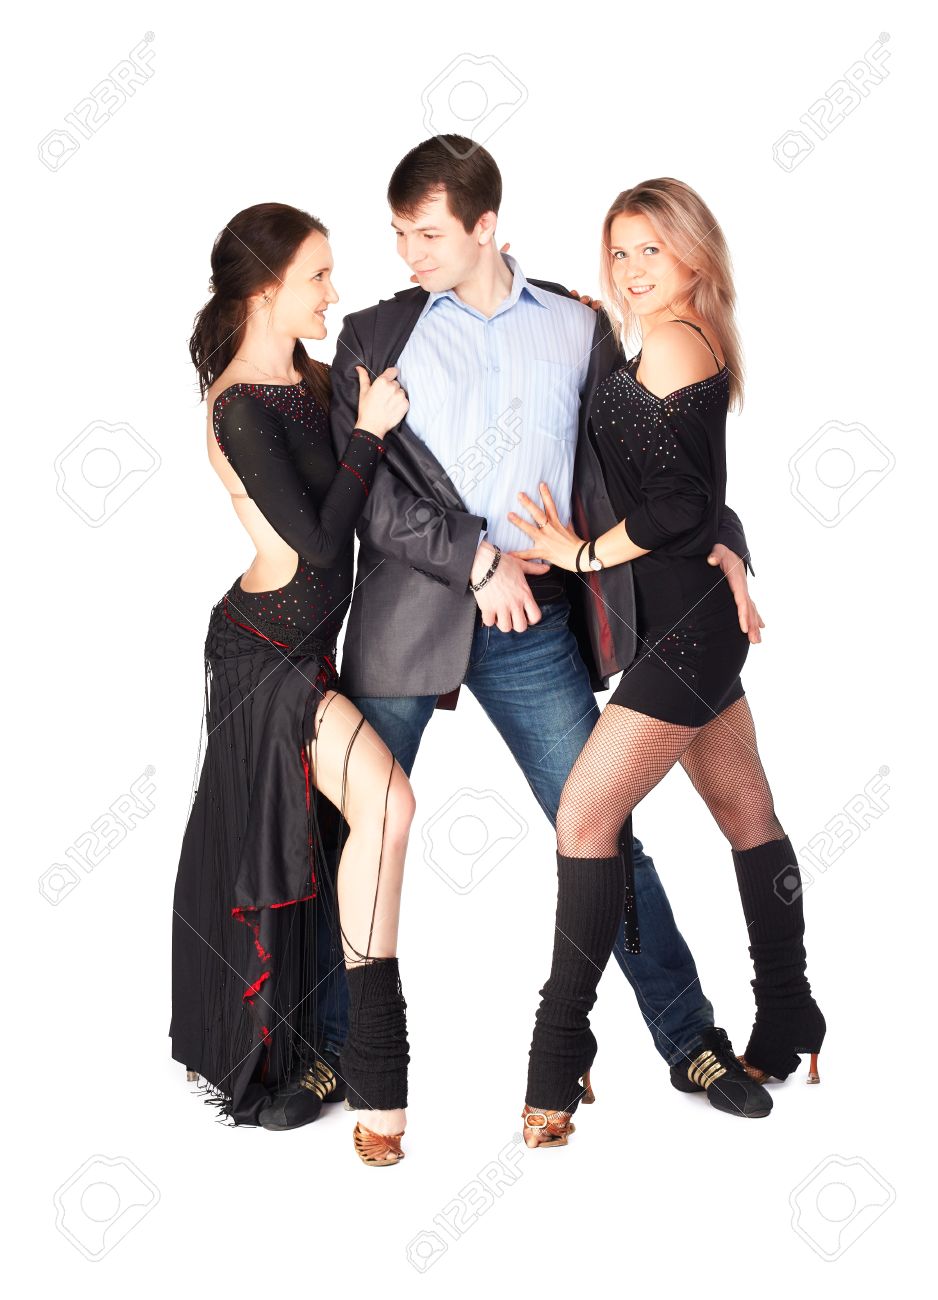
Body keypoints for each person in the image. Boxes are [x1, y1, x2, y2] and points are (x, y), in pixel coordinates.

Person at [328, 135, 772, 1119]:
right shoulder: (374, 335)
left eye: (427, 232)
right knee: (351, 830)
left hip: (536, 623)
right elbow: (370, 502)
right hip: (408, 621)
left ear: (485, 225)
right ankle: (320, 1045)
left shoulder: (578, 327)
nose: (406, 252)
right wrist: (476, 560)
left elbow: (662, 468)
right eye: (398, 234)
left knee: (600, 829)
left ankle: (689, 1039)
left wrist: (726, 542)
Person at [511, 178, 826, 1148]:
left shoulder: (678, 341)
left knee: (584, 815)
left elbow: (679, 507)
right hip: (684, 621)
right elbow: (693, 492)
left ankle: (556, 1054)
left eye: (651, 249)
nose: (632, 268)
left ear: (693, 254)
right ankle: (789, 1013)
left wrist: (576, 554)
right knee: (746, 813)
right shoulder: (662, 339)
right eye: (619, 251)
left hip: (684, 631)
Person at [171, 202, 415, 1167]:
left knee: (354, 829)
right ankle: (373, 1062)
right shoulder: (235, 404)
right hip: (262, 657)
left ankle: (336, 1052)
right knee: (387, 807)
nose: (333, 292)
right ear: (267, 287)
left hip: (307, 651)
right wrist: (371, 436)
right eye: (317, 275)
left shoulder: (314, 380)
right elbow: (316, 543)